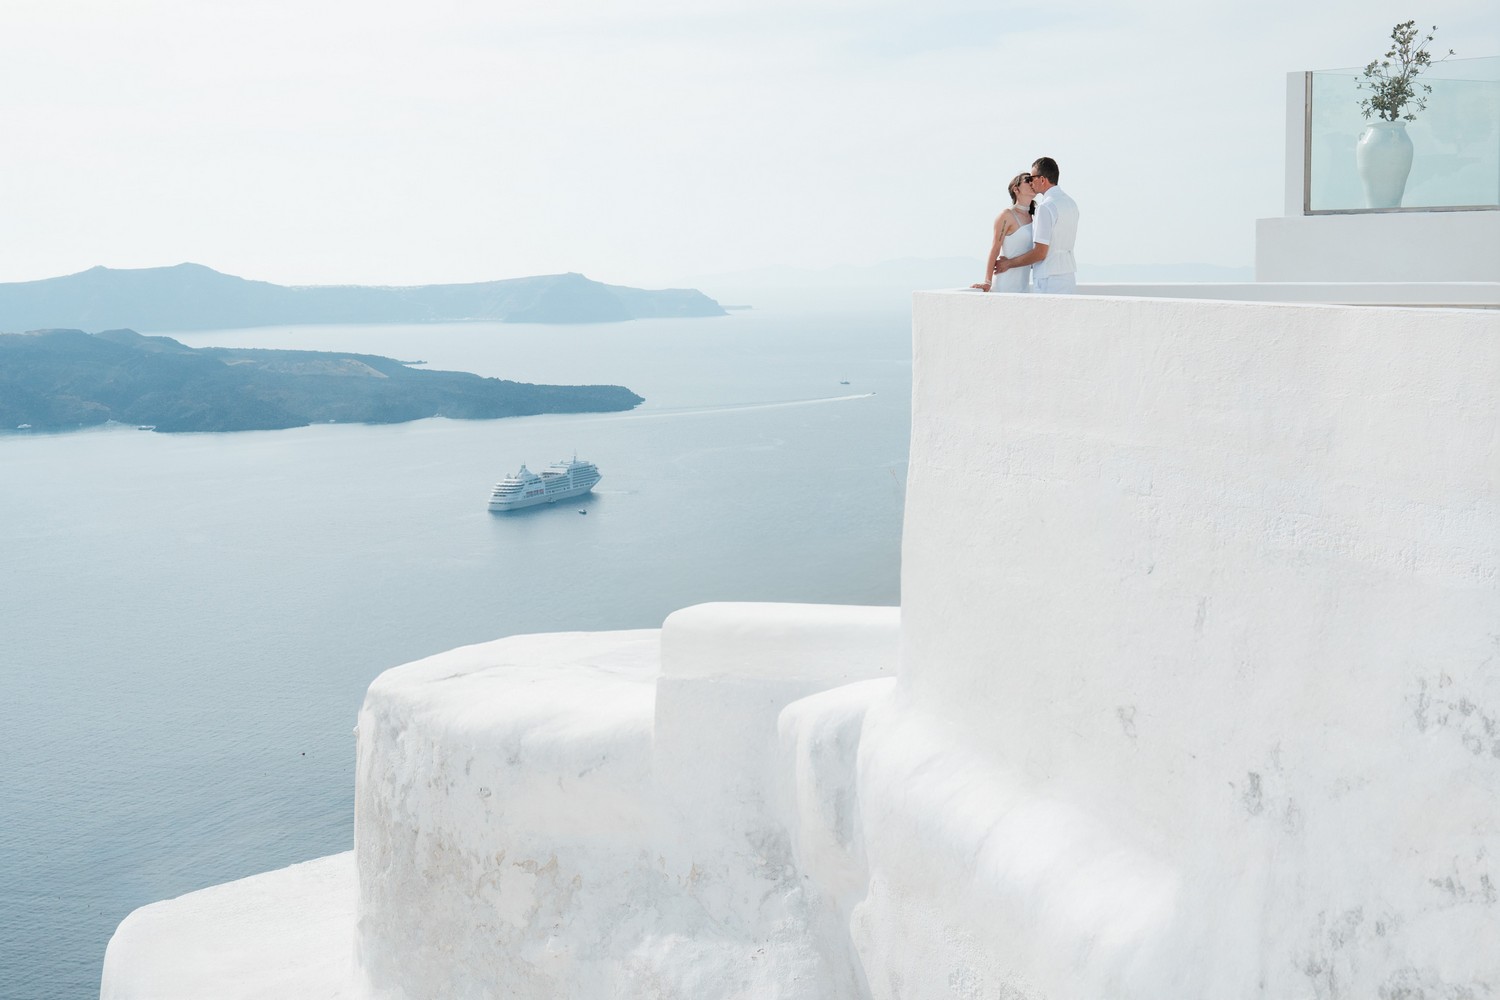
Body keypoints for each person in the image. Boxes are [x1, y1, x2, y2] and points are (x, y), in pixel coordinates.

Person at [996, 156, 1078, 293]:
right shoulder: (1071, 204)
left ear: (1042, 180)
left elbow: (1040, 253)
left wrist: (1008, 263)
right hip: (1068, 276)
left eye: (1032, 178)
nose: (1031, 183)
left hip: (1049, 280)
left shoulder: (1046, 207)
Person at [970, 172, 1037, 293]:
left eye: (1033, 179)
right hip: (1005, 284)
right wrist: (987, 281)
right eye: (1027, 180)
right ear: (1016, 189)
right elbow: (995, 248)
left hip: (1024, 286)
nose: (1032, 182)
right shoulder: (1006, 215)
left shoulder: (1036, 217)